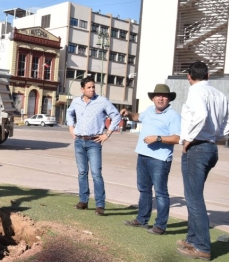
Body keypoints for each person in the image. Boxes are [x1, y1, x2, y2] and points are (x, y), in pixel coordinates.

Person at [178, 61, 229, 261]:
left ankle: (202, 246)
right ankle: (192, 239)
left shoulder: (196, 92)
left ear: (189, 76)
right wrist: (218, 134)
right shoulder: (218, 94)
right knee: (193, 196)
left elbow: (201, 115)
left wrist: (190, 138)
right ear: (208, 75)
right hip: (210, 147)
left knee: (194, 198)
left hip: (197, 148)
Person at [121, 84, 181, 235]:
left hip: (160, 160)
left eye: (164, 96)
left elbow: (177, 138)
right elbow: (137, 117)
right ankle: (142, 219)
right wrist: (128, 113)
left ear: (169, 99)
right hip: (143, 155)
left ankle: (160, 226)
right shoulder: (149, 110)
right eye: (158, 95)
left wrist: (158, 138)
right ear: (153, 98)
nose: (161, 98)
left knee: (160, 193)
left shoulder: (173, 116)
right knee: (144, 190)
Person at [66, 76, 121, 216]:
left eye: (93, 87)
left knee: (96, 173)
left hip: (94, 142)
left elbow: (116, 116)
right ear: (82, 89)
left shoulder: (102, 101)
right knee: (82, 172)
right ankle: (83, 200)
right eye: (89, 87)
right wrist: (71, 128)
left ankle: (100, 205)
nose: (92, 89)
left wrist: (107, 134)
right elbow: (69, 113)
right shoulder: (76, 102)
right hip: (79, 141)